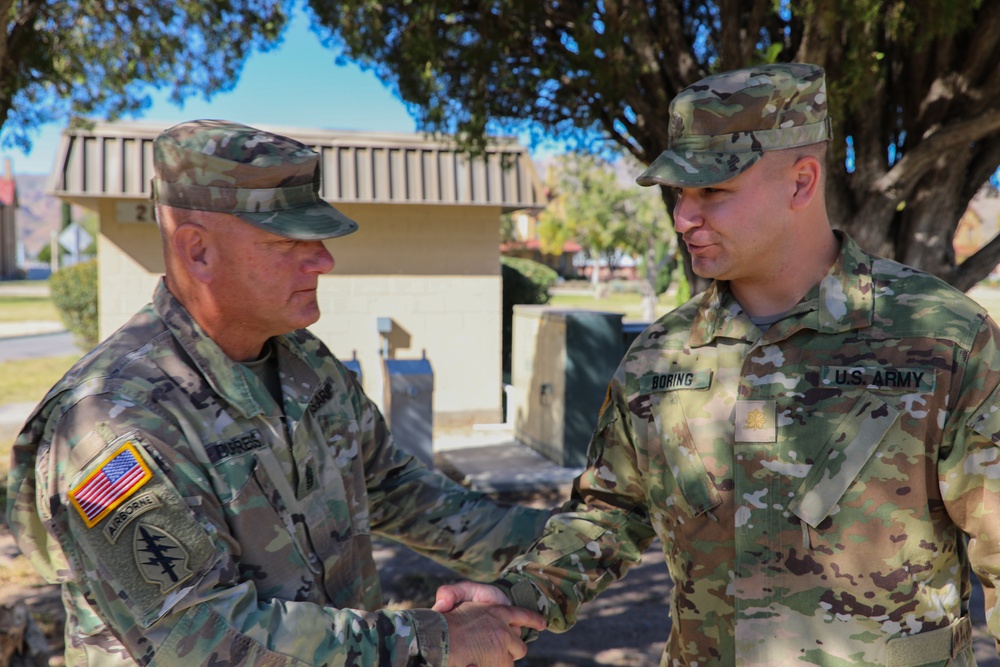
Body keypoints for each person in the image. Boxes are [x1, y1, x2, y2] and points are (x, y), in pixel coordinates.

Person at [434, 63, 1000, 665]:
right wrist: (513, 594)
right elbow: (610, 512)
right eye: (679, 193)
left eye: (712, 192)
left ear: (801, 183)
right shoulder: (660, 357)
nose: (683, 218)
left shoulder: (941, 339)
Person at [5, 119, 547, 667]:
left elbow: (394, 490)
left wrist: (573, 536)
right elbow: (201, 638)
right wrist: (435, 640)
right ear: (198, 251)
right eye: (287, 241)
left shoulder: (305, 363)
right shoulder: (111, 424)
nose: (323, 260)